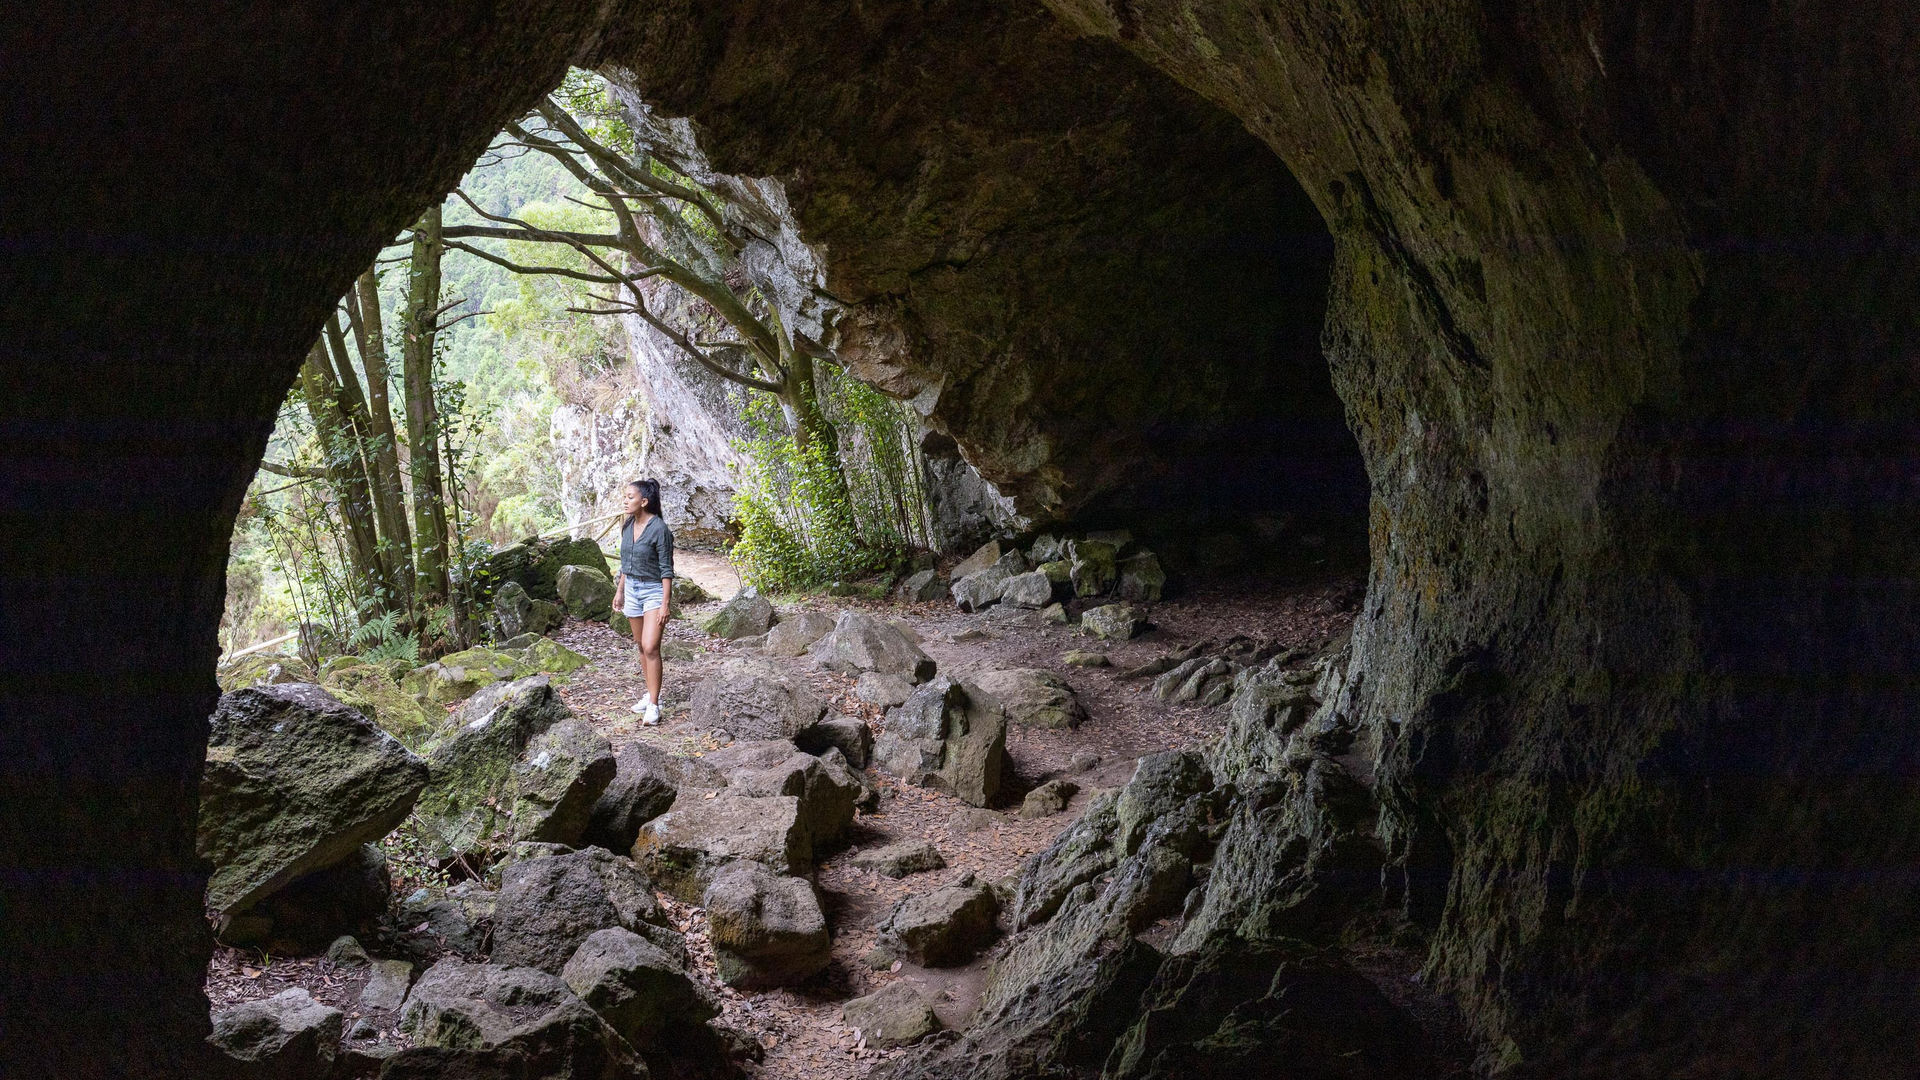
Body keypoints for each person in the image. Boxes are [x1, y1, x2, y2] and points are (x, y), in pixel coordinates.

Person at [613, 479, 674, 724]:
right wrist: (620, 592)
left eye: (630, 497)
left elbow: (666, 569)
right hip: (633, 591)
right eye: (625, 497)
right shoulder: (628, 527)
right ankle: (649, 693)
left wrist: (666, 604)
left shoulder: (659, 529)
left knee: (650, 646)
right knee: (640, 645)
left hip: (653, 591)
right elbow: (626, 564)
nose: (625, 501)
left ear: (644, 501)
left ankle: (654, 704)